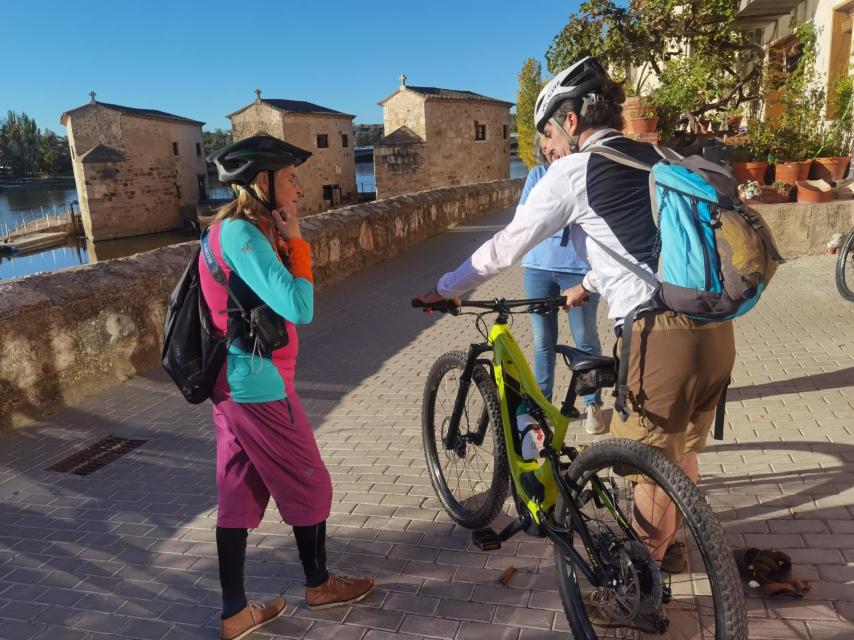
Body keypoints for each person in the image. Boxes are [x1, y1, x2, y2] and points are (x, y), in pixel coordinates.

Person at [415, 57, 735, 573]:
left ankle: (639, 587)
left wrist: (446, 288)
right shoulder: (656, 152)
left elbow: (504, 246)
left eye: (547, 131)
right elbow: (648, 239)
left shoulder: (574, 171)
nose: (547, 146)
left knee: (647, 468)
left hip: (659, 335)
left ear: (570, 119)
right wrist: (587, 284)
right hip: (714, 323)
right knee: (677, 455)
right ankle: (670, 548)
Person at [204, 134, 373, 640]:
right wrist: (297, 241)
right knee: (311, 481)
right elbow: (299, 306)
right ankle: (318, 584)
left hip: (231, 386)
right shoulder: (243, 236)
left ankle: (235, 615)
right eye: (291, 179)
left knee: (238, 493)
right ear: (262, 182)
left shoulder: (230, 232)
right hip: (257, 387)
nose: (298, 190)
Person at [520, 133, 605, 434]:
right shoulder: (537, 176)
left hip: (579, 270)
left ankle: (592, 404)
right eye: (543, 146)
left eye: (551, 142)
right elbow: (527, 218)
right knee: (543, 341)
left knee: (585, 338)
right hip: (537, 267)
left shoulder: (587, 171)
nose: (548, 150)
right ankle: (542, 409)